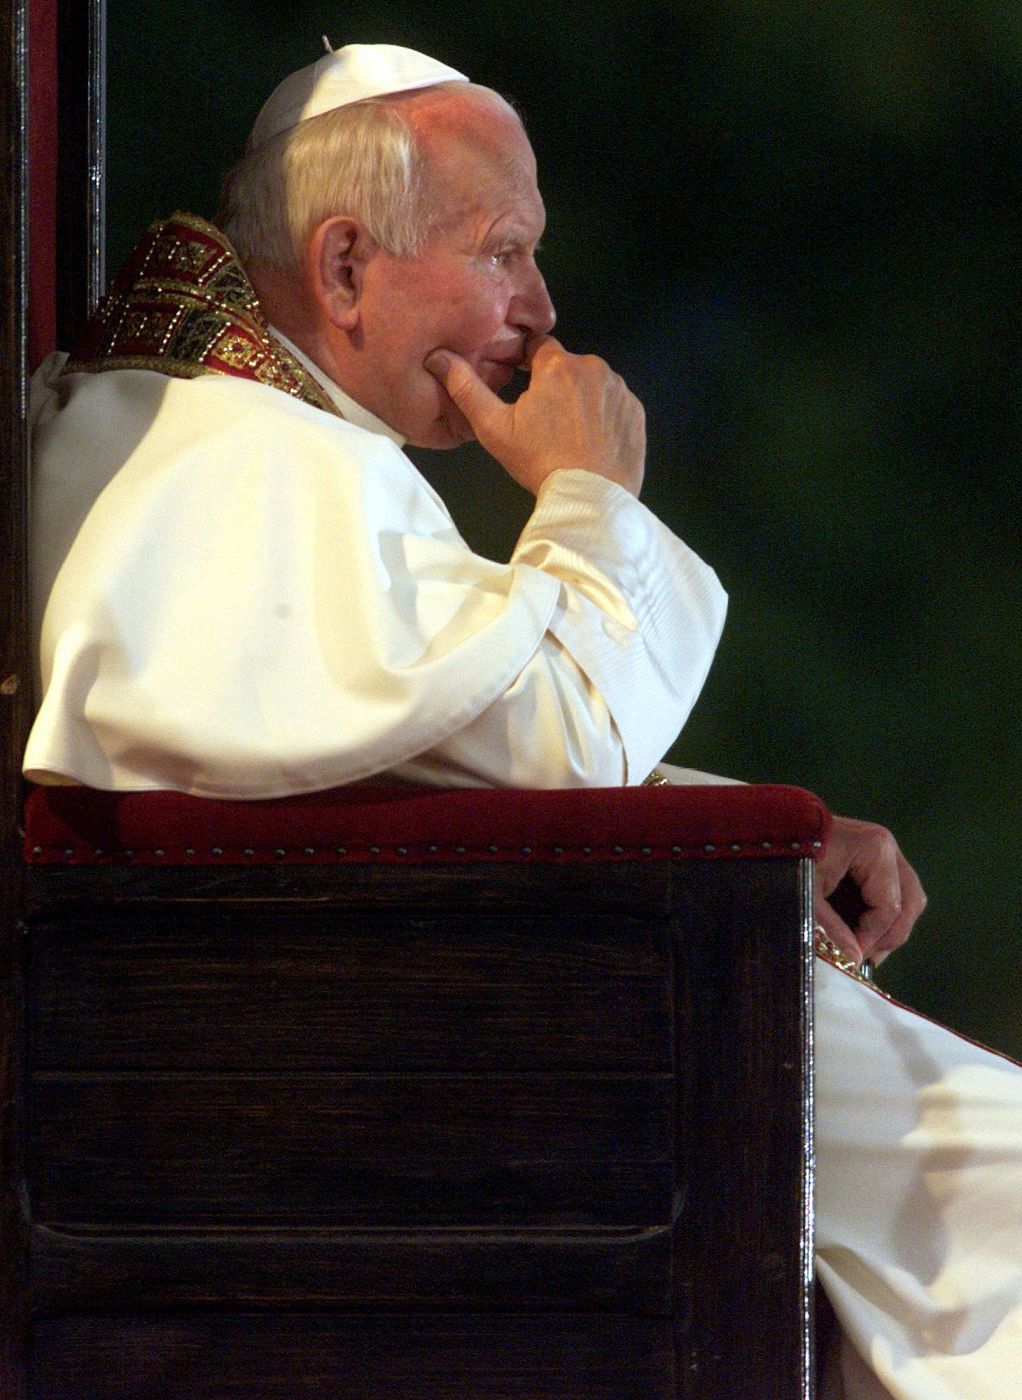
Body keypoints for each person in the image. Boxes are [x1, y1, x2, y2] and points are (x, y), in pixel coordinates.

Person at [22, 40, 1022, 1399]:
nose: (542, 309)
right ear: (343, 269)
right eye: (500, 253)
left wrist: (729, 819)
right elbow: (554, 746)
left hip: (484, 987)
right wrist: (588, 494)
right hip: (478, 1017)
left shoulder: (241, 423)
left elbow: (417, 750)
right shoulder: (235, 457)